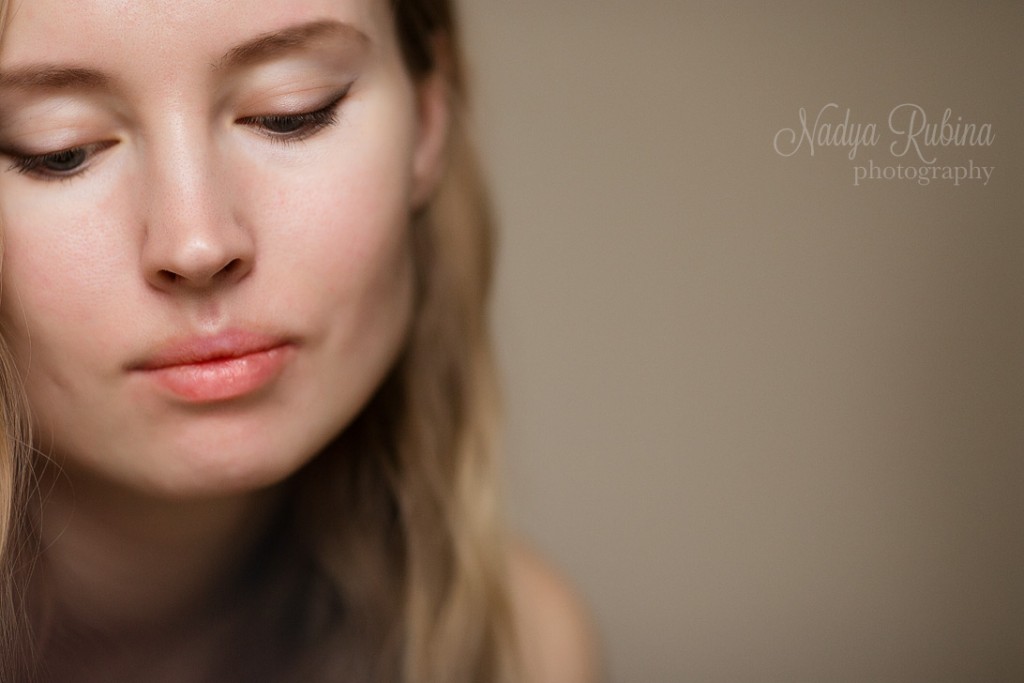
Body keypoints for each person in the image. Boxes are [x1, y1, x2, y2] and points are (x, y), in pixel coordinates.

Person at [0, 0, 600, 680]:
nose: (197, 242)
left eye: (292, 112)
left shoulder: (521, 653)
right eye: (58, 151)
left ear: (430, 119)